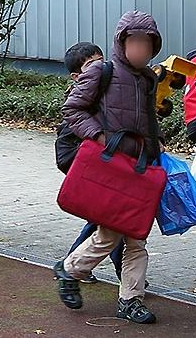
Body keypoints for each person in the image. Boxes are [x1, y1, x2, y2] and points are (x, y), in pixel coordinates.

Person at [54, 11, 163, 325]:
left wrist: (156, 147)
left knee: (136, 236)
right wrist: (99, 136)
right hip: (110, 167)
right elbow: (72, 109)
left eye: (148, 43)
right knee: (110, 234)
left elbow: (147, 121)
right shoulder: (103, 71)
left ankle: (130, 299)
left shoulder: (148, 79)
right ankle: (70, 268)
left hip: (138, 168)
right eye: (136, 42)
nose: (141, 49)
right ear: (122, 42)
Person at [60, 41, 123, 283]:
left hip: (93, 159)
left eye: (101, 60)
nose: (101, 67)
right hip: (77, 159)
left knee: (108, 215)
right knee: (109, 216)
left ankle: (74, 265)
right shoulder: (84, 94)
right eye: (92, 64)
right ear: (77, 76)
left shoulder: (107, 87)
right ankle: (71, 266)